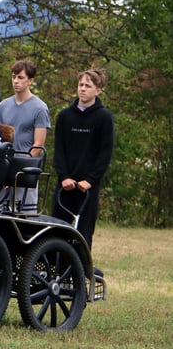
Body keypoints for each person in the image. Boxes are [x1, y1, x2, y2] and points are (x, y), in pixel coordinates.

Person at [51, 67, 115, 249]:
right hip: (65, 185)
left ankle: (81, 270)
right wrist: (63, 176)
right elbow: (59, 150)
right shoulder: (64, 116)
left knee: (84, 233)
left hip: (88, 188)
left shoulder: (104, 118)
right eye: (80, 84)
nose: (83, 89)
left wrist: (91, 180)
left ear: (98, 90)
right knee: (57, 229)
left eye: (88, 85)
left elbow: (105, 154)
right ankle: (55, 268)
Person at [0, 59, 51, 213]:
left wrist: (18, 173)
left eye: (20, 77)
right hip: (4, 169)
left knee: (24, 218)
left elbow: (38, 145)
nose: (16, 81)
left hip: (25, 171)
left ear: (30, 80)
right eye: (14, 77)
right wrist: (1, 171)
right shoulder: (4, 105)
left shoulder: (40, 108)